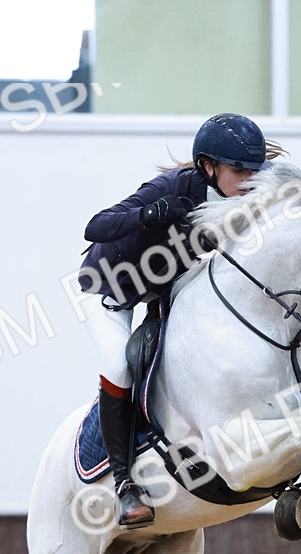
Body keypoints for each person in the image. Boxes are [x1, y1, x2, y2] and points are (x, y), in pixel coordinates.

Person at [78, 113, 279, 529]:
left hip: (171, 284)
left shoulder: (253, 187)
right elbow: (94, 226)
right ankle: (123, 484)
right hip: (113, 289)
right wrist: (148, 214)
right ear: (208, 167)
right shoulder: (170, 188)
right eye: (239, 171)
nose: (249, 180)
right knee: (119, 365)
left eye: (254, 171)